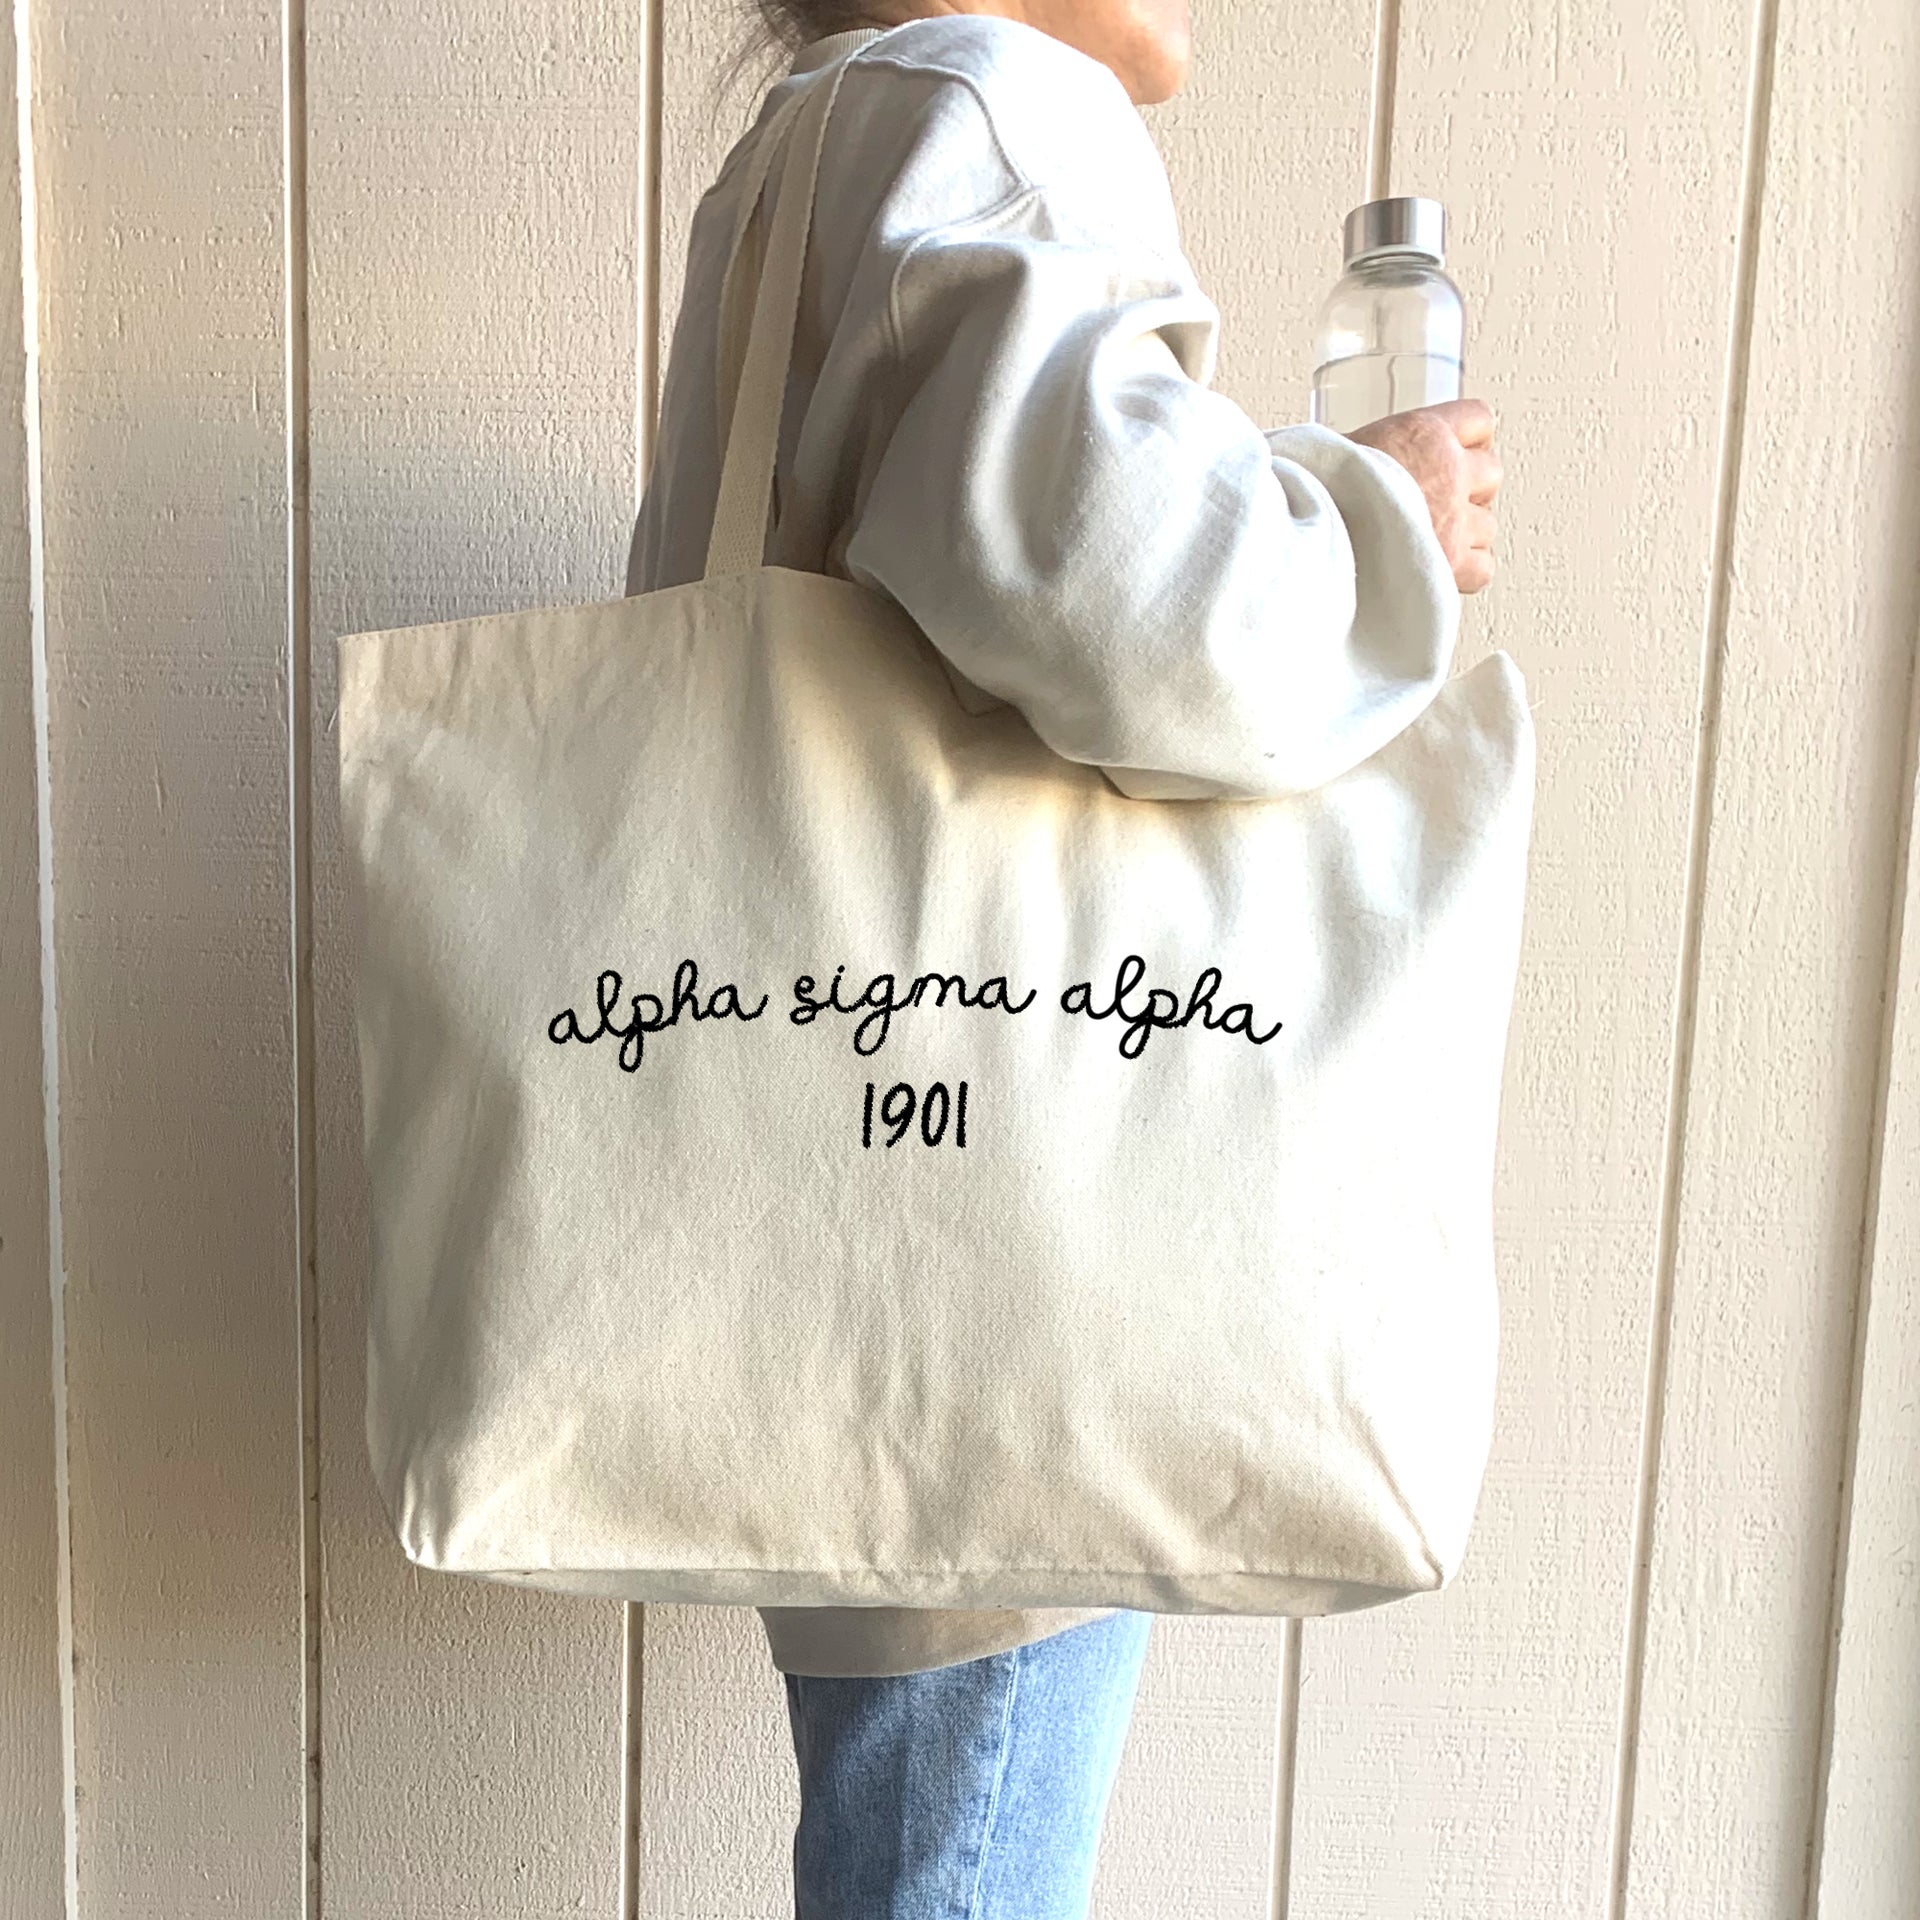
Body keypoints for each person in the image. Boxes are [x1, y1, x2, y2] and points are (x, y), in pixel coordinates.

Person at [626, 4, 1502, 1913]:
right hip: (1007, 1241)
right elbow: (1147, 614)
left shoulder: (813, 144)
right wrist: (1382, 521)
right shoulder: (995, 107)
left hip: (850, 1212)